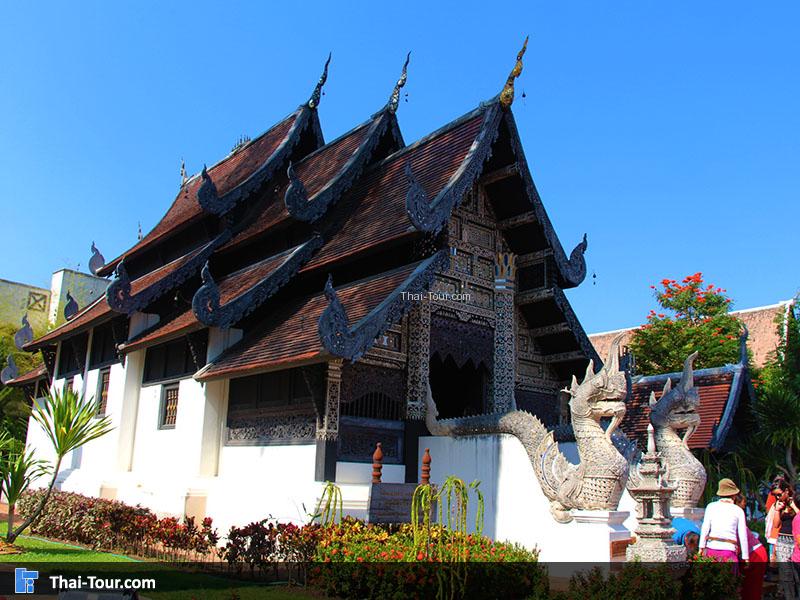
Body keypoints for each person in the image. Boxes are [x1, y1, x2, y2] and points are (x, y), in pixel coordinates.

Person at [699, 478, 750, 570]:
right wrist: (746, 557)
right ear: (734, 495)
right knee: (729, 582)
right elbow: (742, 535)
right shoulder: (738, 510)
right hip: (729, 551)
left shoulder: (711, 507)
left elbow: (705, 528)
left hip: (711, 549)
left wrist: (701, 548)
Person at [735, 493, 767, 600]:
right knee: (747, 591)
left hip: (755, 555)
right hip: (750, 555)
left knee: (752, 591)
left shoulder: (737, 521)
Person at [773, 486, 798, 599]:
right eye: (775, 495)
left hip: (795, 541)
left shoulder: (796, 501)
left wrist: (793, 506)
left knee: (796, 576)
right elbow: (776, 525)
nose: (777, 497)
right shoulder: (779, 505)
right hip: (783, 541)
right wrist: (777, 510)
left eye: (779, 494)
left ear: (787, 491)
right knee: (786, 576)